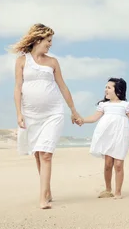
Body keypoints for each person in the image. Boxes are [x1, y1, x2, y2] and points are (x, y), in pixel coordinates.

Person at [12, 23, 82, 209]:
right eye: (48, 41)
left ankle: (42, 198)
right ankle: (47, 191)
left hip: (53, 113)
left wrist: (73, 110)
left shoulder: (53, 62)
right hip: (31, 114)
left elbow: (63, 86)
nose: (50, 44)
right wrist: (19, 113)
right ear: (37, 39)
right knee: (37, 154)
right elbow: (18, 88)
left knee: (46, 154)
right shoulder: (22, 61)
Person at [75, 78, 129, 199]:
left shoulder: (125, 105)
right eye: (105, 87)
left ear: (119, 91)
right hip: (107, 136)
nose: (106, 89)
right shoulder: (104, 105)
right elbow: (95, 117)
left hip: (121, 135)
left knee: (119, 164)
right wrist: (83, 120)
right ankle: (108, 189)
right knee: (108, 164)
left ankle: (118, 192)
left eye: (109, 87)